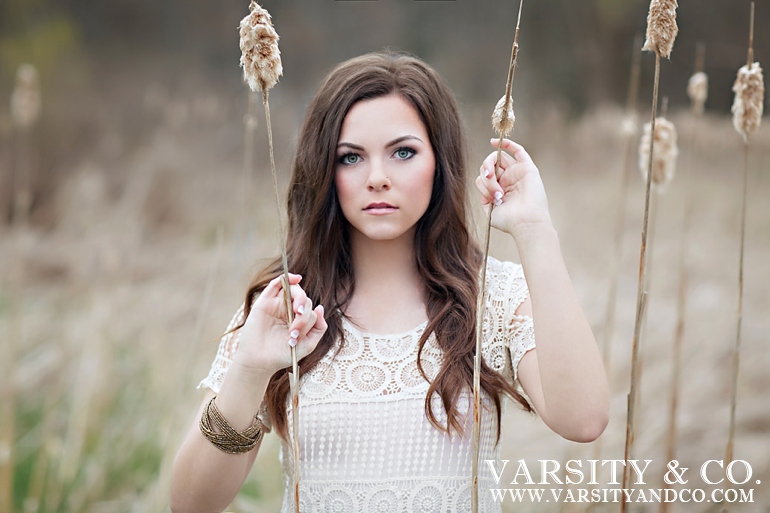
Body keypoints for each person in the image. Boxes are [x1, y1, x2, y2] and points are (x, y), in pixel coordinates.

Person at [170, 50, 609, 513]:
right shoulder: (285, 307)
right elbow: (190, 504)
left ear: (439, 161)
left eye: (403, 152)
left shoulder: (490, 296)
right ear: (325, 170)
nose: (377, 178)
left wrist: (534, 231)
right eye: (351, 157)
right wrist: (251, 370)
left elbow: (583, 419)